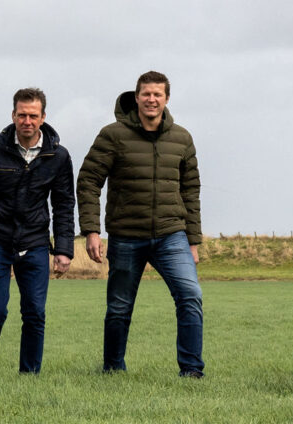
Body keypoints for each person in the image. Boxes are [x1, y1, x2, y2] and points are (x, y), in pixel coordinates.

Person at [77, 70, 204, 377]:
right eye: (146, 94)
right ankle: (113, 369)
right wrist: (91, 231)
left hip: (171, 235)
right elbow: (89, 181)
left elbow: (191, 189)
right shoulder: (113, 135)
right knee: (119, 308)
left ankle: (191, 371)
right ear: (136, 98)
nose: (151, 99)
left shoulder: (182, 138)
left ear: (167, 99)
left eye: (157, 94)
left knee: (191, 296)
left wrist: (193, 240)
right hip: (125, 235)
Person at [0, 87, 76, 375]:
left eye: (33, 116)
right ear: (13, 115)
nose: (27, 121)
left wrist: (64, 248)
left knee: (35, 312)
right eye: (22, 115)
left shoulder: (58, 156)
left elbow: (63, 204)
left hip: (34, 242)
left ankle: (29, 375)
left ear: (43, 117)